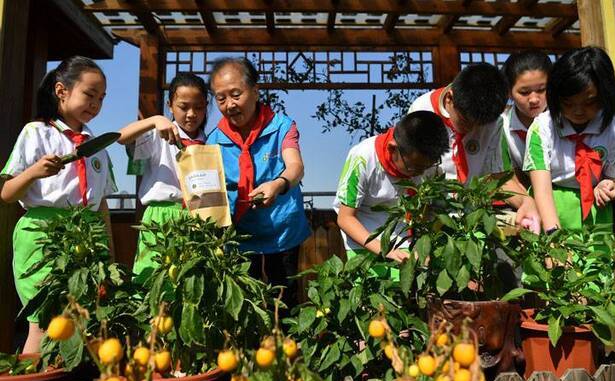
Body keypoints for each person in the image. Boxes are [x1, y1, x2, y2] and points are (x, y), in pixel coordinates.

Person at [0, 56, 116, 352]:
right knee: (43, 322)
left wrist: (110, 256)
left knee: (83, 320)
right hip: (43, 235)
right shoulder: (36, 132)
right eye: (89, 95)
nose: (95, 104)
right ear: (61, 90)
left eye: (101, 98)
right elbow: (7, 193)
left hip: (87, 238)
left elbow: (101, 205)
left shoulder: (97, 145)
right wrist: (34, 171)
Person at [206, 57, 310, 308]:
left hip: (282, 231)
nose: (229, 105)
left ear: (255, 90)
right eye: (221, 98)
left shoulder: (282, 126)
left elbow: (296, 166)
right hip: (239, 236)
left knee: (285, 303)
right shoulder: (213, 141)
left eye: (236, 94)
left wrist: (278, 184)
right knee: (245, 305)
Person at [409, 63, 540, 229]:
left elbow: (496, 178)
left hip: (471, 218)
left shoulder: (495, 123)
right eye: (465, 122)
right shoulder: (421, 113)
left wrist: (525, 200)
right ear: (450, 98)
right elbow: (413, 179)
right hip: (429, 217)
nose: (472, 129)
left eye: (480, 125)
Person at [523, 46, 615, 232]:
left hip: (598, 216)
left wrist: (610, 187)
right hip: (550, 211)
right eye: (568, 103)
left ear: (605, 94)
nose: (578, 111)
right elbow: (542, 190)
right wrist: (554, 238)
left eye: (589, 102)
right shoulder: (541, 128)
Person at [118, 73, 208, 282]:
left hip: (199, 217)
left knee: (192, 283)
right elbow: (121, 137)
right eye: (184, 107)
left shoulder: (211, 141)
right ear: (170, 105)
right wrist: (154, 120)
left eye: (199, 107)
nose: (191, 114)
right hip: (161, 217)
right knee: (153, 279)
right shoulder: (157, 135)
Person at [334, 111, 449, 265]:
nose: (420, 172)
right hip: (364, 238)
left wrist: (423, 246)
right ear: (392, 148)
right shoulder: (362, 158)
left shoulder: (426, 163)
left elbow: (428, 212)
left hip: (404, 238)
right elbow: (345, 218)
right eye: (413, 167)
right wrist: (384, 249)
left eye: (426, 167)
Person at [501, 51, 552, 172]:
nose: (534, 99)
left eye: (541, 90)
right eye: (524, 92)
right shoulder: (501, 127)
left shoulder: (565, 119)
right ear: (509, 92)